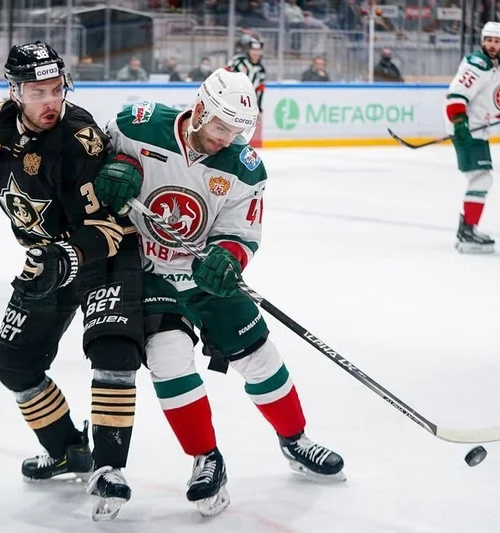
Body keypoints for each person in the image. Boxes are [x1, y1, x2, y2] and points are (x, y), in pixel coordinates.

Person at [93, 69, 345, 518]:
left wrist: (228, 258)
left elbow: (241, 233)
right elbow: (95, 159)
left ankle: (295, 440)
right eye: (221, 127)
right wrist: (115, 170)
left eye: (237, 131)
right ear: (200, 109)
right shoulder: (137, 125)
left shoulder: (244, 166)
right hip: (150, 274)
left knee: (260, 358)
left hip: (207, 276)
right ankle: (207, 459)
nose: (227, 139)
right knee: (169, 358)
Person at [0, 41, 144, 521]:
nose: (51, 101)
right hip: (45, 260)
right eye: (38, 92)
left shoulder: (79, 138)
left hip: (105, 255)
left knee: (113, 352)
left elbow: (106, 226)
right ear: (15, 91)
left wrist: (64, 256)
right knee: (14, 364)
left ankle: (109, 467)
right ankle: (67, 450)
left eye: (57, 89)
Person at [445, 22, 500, 254]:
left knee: (482, 179)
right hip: (466, 128)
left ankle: (468, 229)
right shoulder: (476, 65)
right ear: (483, 41)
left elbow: (490, 101)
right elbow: (457, 94)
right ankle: (467, 231)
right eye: (489, 40)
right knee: (481, 178)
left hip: (478, 129)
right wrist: (459, 121)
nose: (492, 45)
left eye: (497, 41)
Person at [226, 39, 266, 113]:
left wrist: (259, 109)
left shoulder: (261, 70)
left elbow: (260, 90)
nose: (256, 53)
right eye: (253, 50)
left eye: (258, 50)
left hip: (247, 107)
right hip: (230, 101)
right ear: (248, 50)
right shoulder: (238, 60)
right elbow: (224, 73)